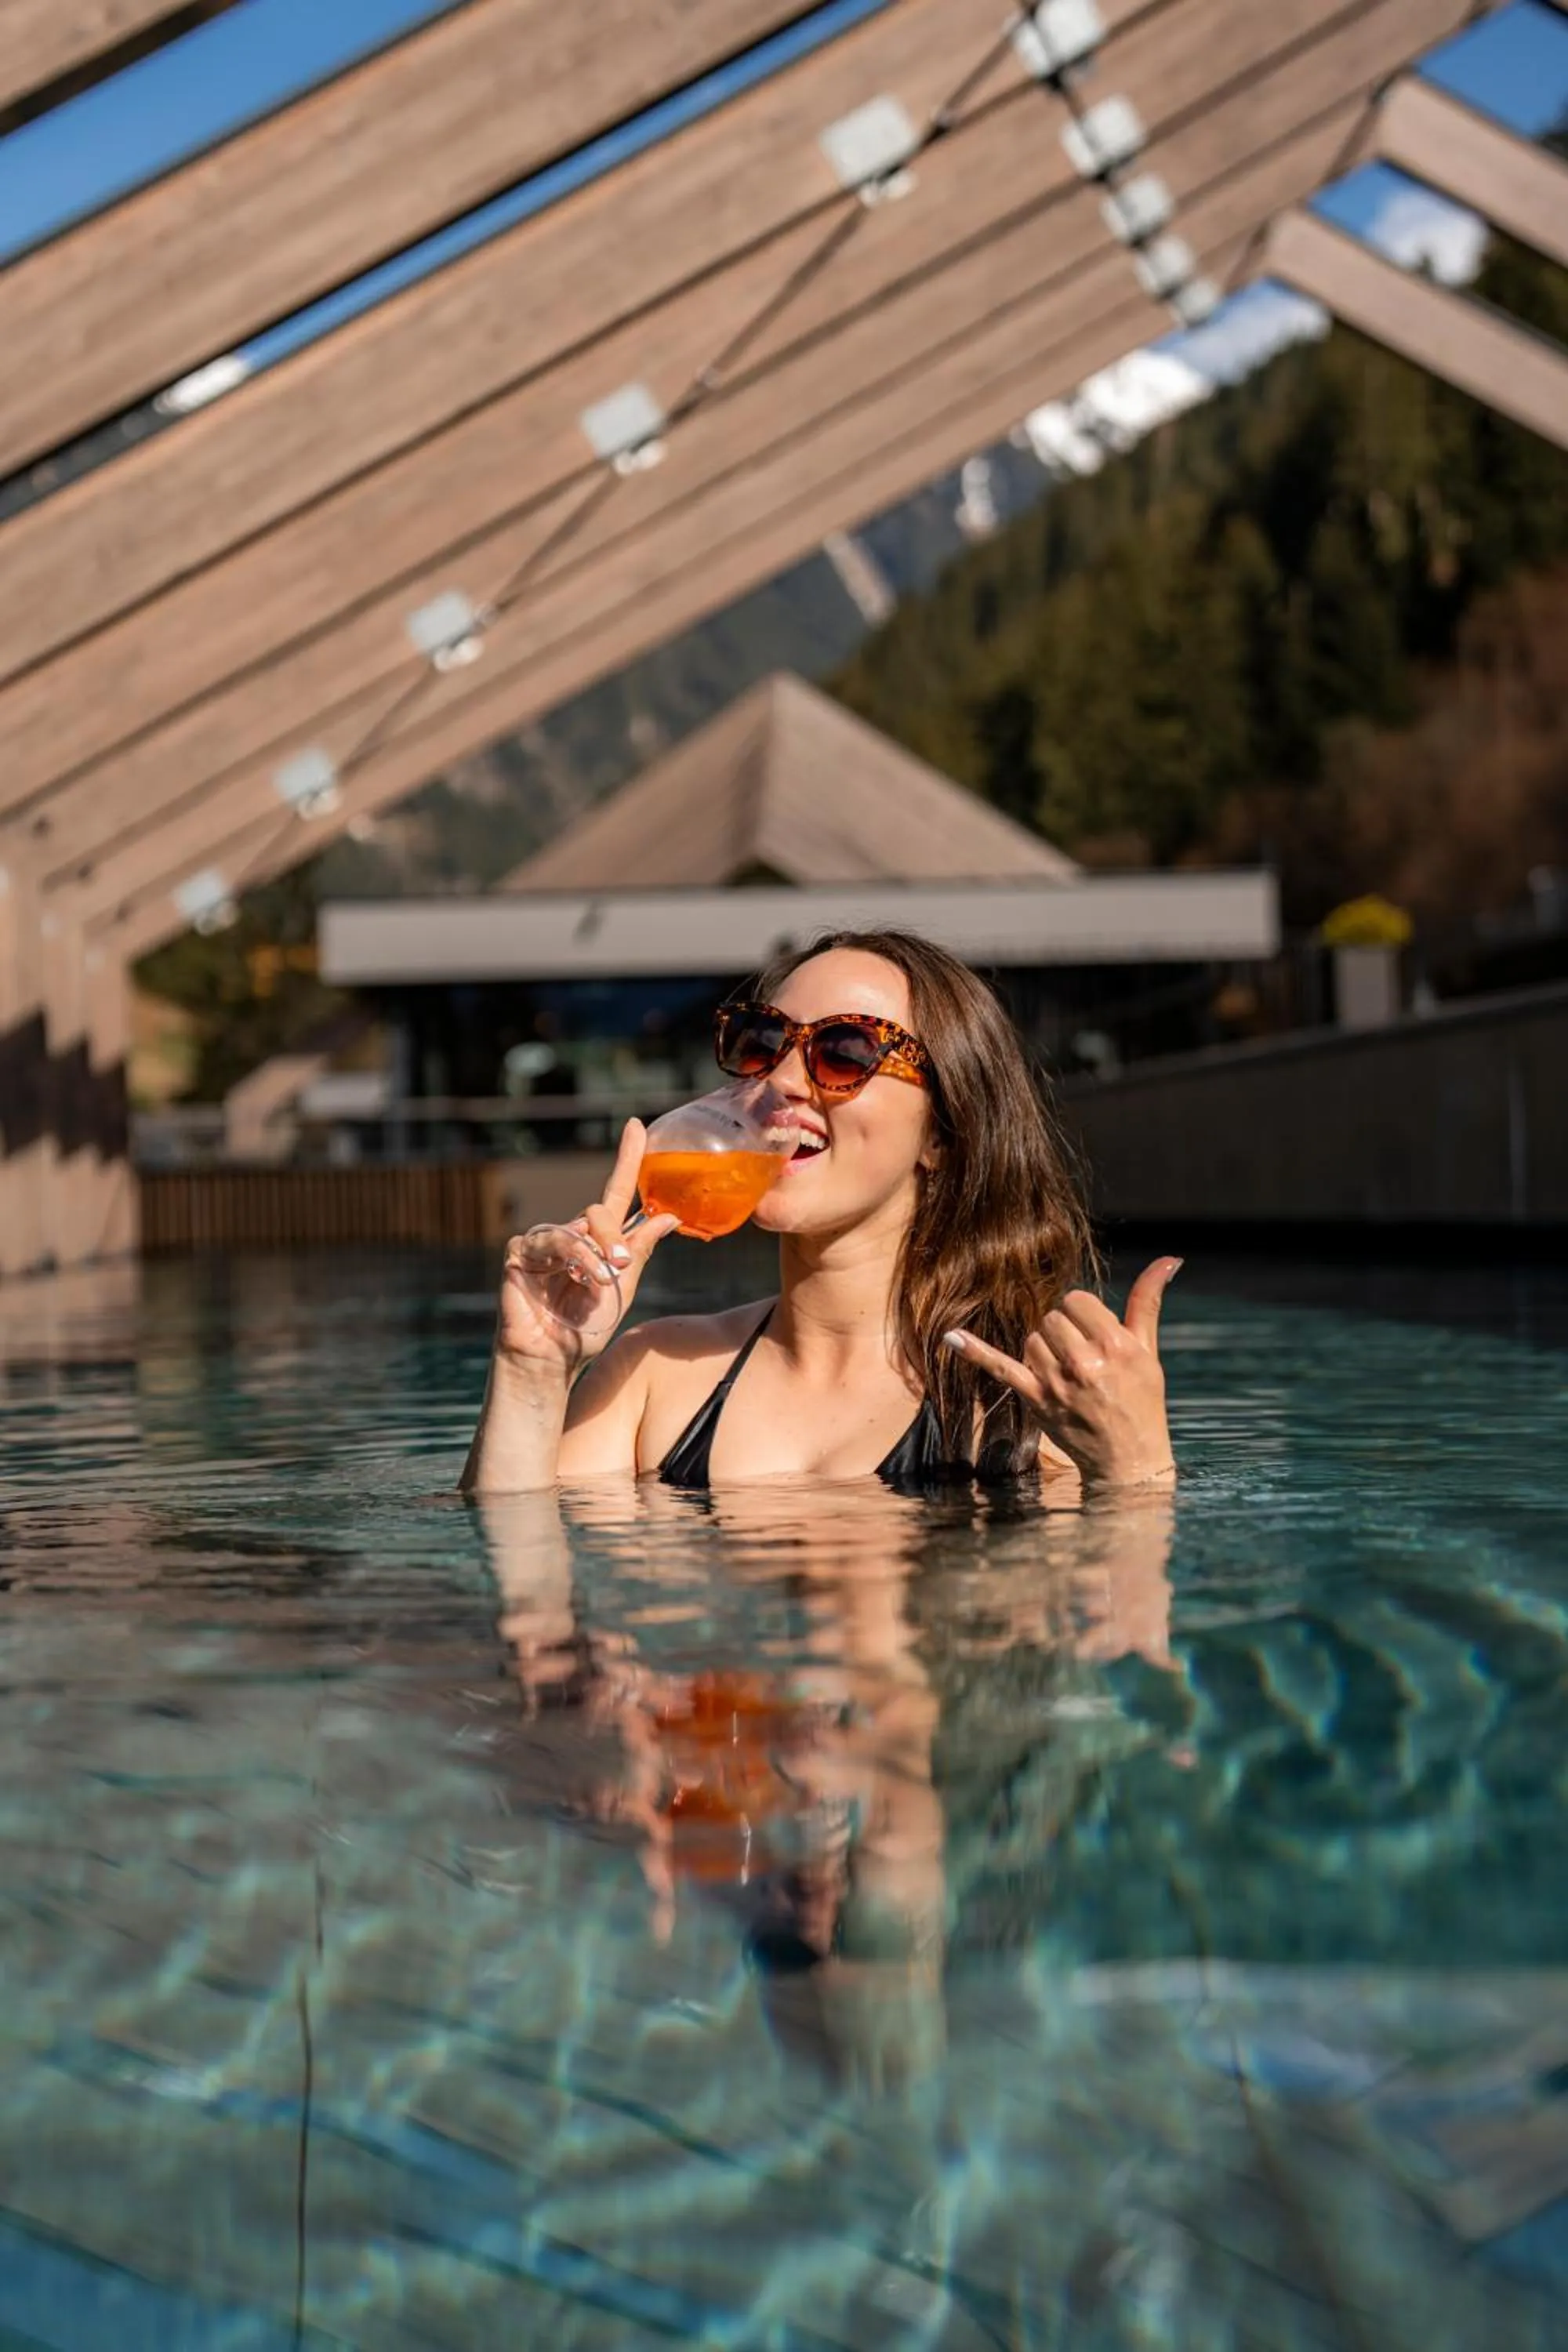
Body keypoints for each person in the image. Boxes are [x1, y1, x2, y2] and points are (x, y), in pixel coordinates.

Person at [461, 928, 1179, 1497]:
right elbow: (524, 1602)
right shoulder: (653, 1375)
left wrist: (1136, 1472)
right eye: (764, 1041)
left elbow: (1109, 1645)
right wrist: (530, 1372)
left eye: (844, 1051)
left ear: (941, 1133)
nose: (782, 1080)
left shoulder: (1026, 1397)